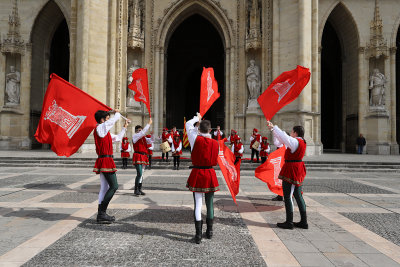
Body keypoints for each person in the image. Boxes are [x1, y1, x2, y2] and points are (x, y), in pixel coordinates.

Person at [267, 121, 308, 229]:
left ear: (295, 133)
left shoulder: (295, 142)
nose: (291, 133)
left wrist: (274, 127)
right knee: (298, 195)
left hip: (292, 169)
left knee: (288, 195)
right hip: (297, 168)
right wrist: (273, 130)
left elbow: (284, 137)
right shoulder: (301, 141)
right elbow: (279, 142)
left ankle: (289, 222)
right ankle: (304, 222)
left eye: (292, 132)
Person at [186, 112, 219, 244]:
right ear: (210, 130)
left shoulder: (195, 138)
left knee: (198, 204)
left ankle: (198, 235)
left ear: (199, 129)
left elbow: (188, 124)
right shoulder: (215, 143)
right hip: (210, 173)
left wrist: (196, 119)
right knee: (210, 204)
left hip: (198, 173)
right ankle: (209, 231)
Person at [93, 109, 129, 224]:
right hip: (105, 160)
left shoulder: (105, 132)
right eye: (107, 118)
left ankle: (101, 214)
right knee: (114, 186)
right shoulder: (99, 128)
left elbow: (118, 138)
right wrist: (117, 114)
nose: (109, 121)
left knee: (104, 188)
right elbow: (111, 122)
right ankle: (102, 213)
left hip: (106, 159)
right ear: (102, 120)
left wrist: (124, 127)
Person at [132, 118, 153, 196]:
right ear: (136, 131)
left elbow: (151, 140)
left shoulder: (143, 138)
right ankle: (135, 189)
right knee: (139, 173)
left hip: (144, 156)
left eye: (141, 130)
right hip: (138, 155)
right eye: (138, 130)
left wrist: (152, 134)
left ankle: (139, 189)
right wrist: (149, 123)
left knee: (142, 173)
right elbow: (142, 133)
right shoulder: (135, 137)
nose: (140, 132)